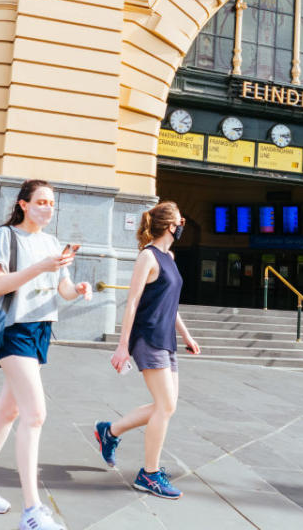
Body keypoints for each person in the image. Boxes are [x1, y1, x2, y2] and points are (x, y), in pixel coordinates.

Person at [0, 179, 92, 530]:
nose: (48, 208)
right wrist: (42, 267)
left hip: (41, 329)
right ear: (23, 204)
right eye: (41, 202)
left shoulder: (51, 242)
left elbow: (61, 289)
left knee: (10, 411)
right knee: (35, 415)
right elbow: (0, 285)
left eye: (52, 203)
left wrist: (77, 289)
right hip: (13, 329)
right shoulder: (6, 236)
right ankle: (33, 510)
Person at [94, 201, 200, 499]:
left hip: (167, 339)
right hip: (147, 338)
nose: (183, 225)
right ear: (170, 226)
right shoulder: (148, 257)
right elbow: (132, 302)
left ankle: (109, 431)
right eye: (181, 221)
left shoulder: (170, 256)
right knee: (165, 406)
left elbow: (170, 304)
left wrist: (187, 336)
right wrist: (122, 346)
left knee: (166, 406)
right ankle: (149, 474)